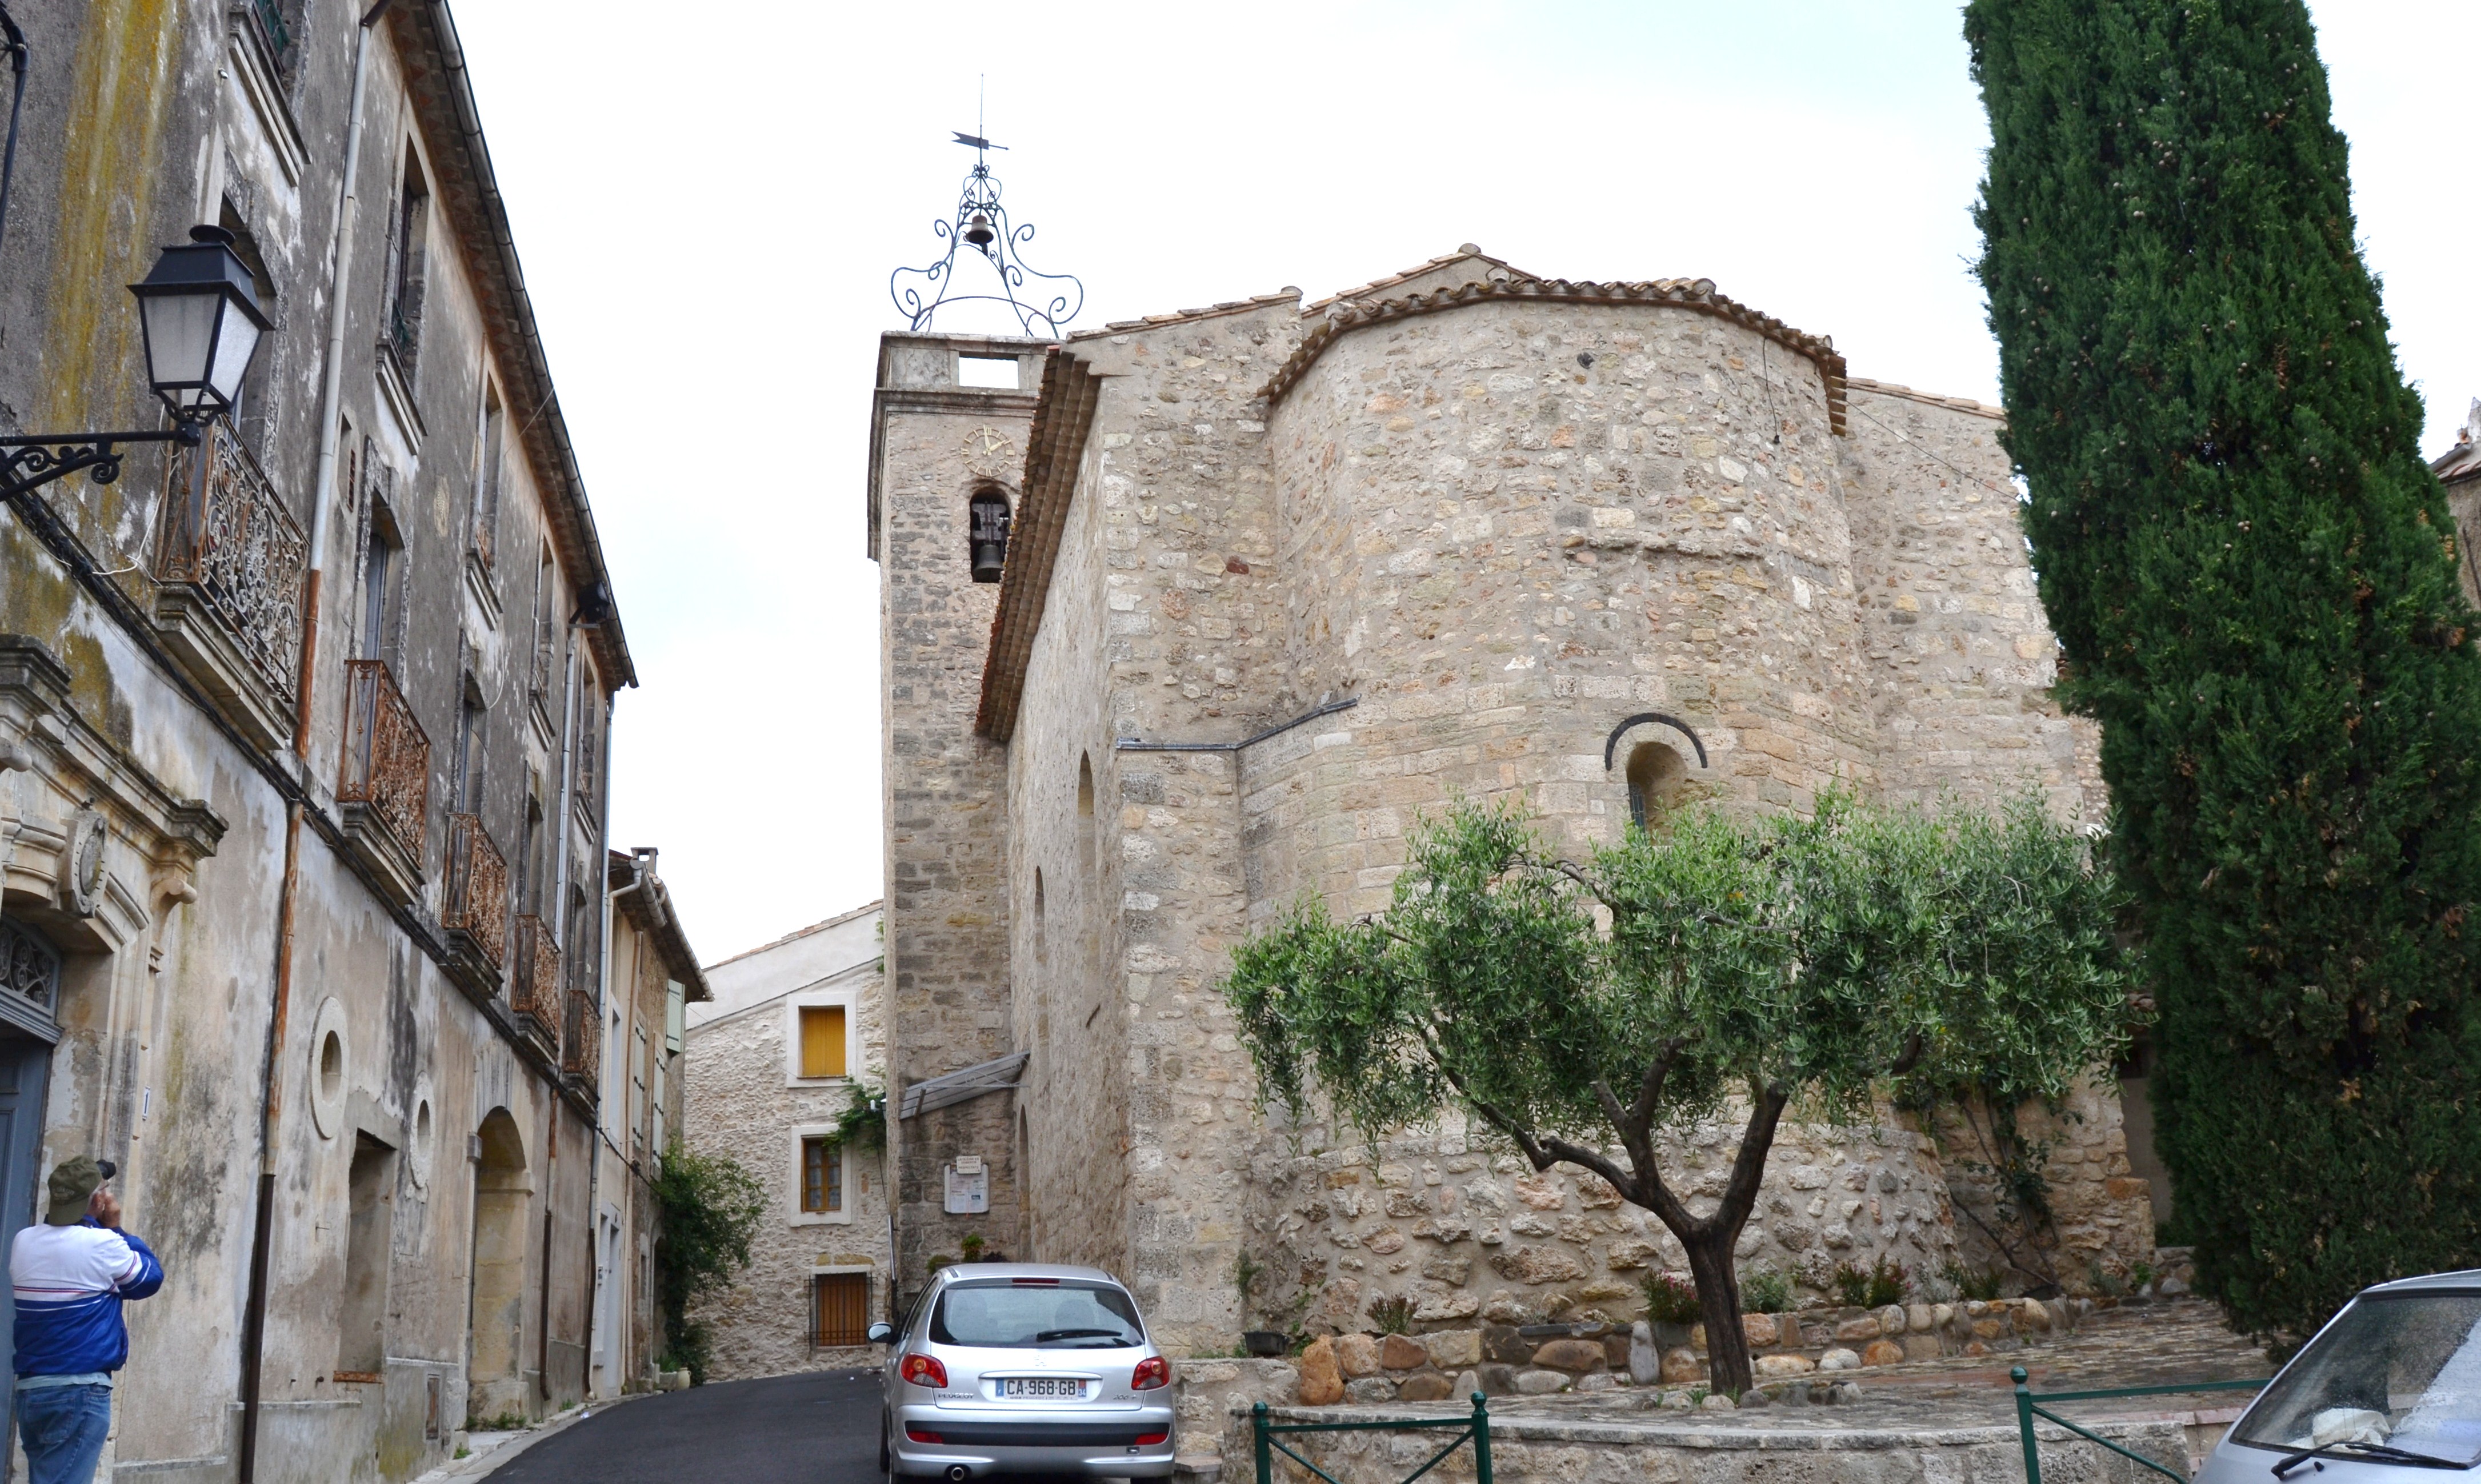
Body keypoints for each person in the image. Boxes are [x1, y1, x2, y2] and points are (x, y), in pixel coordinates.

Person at [10, 1156, 161, 1484]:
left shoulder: (23, 1241)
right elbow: (149, 1278)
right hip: (78, 1390)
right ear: (98, 1200)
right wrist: (116, 1227)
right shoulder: (102, 1244)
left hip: (32, 1390)